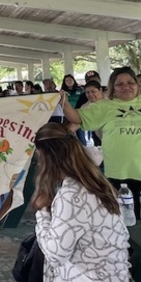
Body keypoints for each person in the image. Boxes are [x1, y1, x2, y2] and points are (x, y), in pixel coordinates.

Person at [31, 122, 130, 281]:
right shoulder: (98, 182)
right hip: (114, 274)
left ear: (46, 158)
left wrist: (42, 214)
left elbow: (55, 255)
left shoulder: (72, 195)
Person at [61, 66, 141, 219]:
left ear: (137, 84)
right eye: (119, 84)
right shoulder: (105, 106)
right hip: (120, 175)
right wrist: (63, 102)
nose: (126, 86)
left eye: (130, 82)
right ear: (112, 88)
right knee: (128, 222)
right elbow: (77, 118)